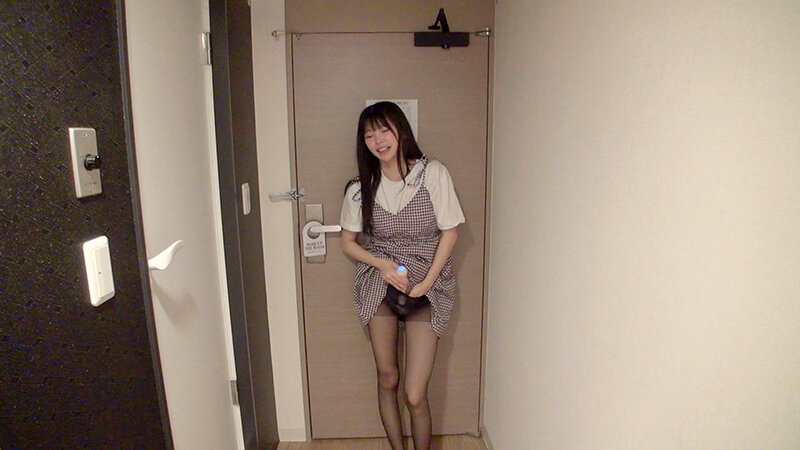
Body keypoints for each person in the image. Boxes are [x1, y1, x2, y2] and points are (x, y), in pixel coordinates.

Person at [340, 101, 464, 450]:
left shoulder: (432, 173)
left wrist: (426, 283)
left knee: (414, 393)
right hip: (379, 285)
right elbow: (348, 243)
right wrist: (381, 265)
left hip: (428, 282)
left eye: (384, 130)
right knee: (388, 378)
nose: (378, 140)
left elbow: (450, 233)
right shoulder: (360, 187)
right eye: (369, 135)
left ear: (401, 131)